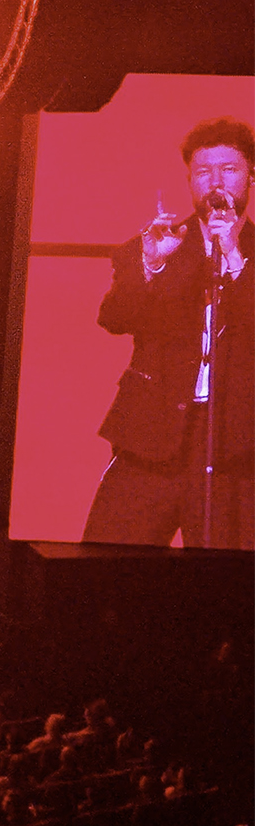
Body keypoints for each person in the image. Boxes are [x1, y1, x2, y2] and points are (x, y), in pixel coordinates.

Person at [84, 116, 253, 549]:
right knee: (106, 568)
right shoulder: (156, 245)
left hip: (236, 449)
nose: (215, 180)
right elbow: (114, 318)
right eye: (203, 171)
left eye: (229, 169)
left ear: (251, 176)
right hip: (150, 437)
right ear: (190, 181)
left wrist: (234, 258)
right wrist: (151, 265)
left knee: (226, 590)